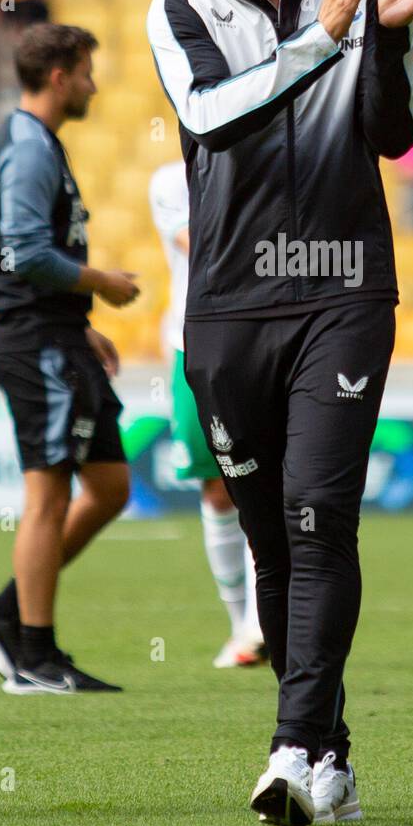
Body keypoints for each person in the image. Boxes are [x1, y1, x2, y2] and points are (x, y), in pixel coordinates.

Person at [147, 0, 413, 826]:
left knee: (318, 516)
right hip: (228, 308)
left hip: (341, 287)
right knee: (275, 542)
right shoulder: (177, 3)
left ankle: (287, 748)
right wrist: (328, 35)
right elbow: (210, 117)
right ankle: (333, 757)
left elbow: (392, 135)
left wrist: (390, 30)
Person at [0, 22, 140, 695]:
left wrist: (78, 322)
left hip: (57, 334)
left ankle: (2, 612)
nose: (93, 83)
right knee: (48, 493)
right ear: (60, 76)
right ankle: (33, 655)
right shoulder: (30, 149)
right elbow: (24, 253)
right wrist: (103, 284)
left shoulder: (39, 144)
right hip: (35, 343)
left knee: (111, 485)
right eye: (86, 71)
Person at [149, 160, 266, 668]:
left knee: (267, 483)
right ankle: (239, 624)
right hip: (193, 345)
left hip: (262, 341)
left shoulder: (265, 165)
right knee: (216, 488)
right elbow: (203, 250)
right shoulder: (171, 180)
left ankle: (262, 626)